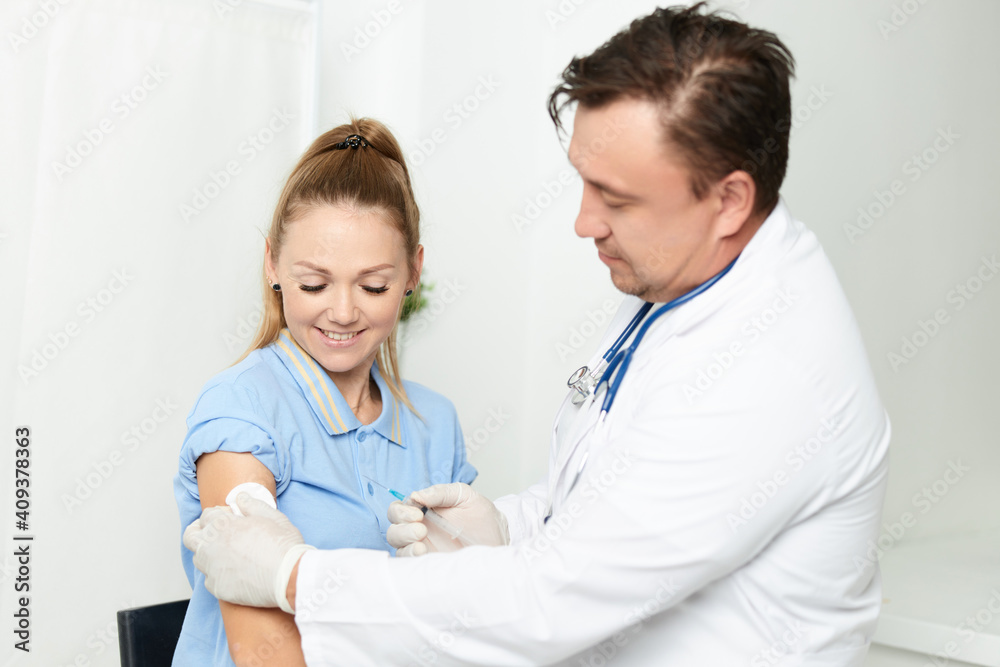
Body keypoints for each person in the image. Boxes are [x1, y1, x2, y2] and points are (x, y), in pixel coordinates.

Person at [182, 5, 890, 665]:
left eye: (616, 198)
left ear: (729, 200)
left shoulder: (768, 373)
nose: (584, 222)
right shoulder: (676, 284)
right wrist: (510, 527)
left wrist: (294, 575)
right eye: (584, 182)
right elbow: (601, 503)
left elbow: (551, 598)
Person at [171, 118, 477, 666]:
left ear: (413, 272)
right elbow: (260, 650)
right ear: (272, 263)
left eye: (373, 286)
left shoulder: (435, 423)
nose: (342, 311)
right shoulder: (241, 409)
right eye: (314, 283)